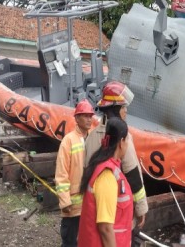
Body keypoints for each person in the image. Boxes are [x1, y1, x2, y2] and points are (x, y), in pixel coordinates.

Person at [84, 81, 148, 230]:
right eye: (123, 107)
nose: (125, 111)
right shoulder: (124, 137)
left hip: (95, 208)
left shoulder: (91, 137)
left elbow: (86, 172)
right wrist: (141, 209)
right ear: (115, 109)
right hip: (119, 210)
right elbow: (132, 173)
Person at [79, 117, 133, 247]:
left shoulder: (106, 166)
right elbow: (105, 228)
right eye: (127, 141)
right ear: (121, 142)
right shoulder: (107, 175)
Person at [55, 99, 95, 247]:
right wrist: (65, 201)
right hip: (73, 207)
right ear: (77, 118)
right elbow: (61, 173)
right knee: (70, 241)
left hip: (90, 203)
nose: (89, 119)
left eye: (90, 116)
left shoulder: (93, 138)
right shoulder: (68, 141)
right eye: (85, 116)